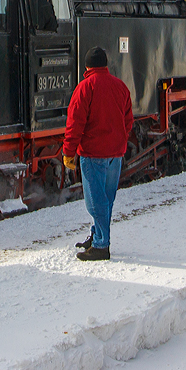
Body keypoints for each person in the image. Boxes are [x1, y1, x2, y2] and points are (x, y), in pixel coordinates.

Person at [64, 46, 134, 261]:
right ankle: (97, 236)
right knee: (106, 199)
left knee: (95, 202)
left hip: (93, 154)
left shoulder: (85, 88)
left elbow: (75, 123)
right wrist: (118, 140)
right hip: (115, 154)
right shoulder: (120, 86)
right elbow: (128, 120)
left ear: (87, 67)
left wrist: (68, 152)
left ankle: (102, 245)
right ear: (105, 65)